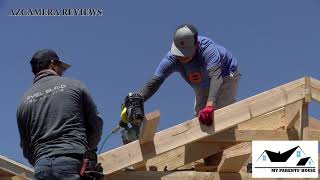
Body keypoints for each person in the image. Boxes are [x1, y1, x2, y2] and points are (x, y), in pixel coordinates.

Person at [121, 24, 240, 165]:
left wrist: (210, 106)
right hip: (201, 83)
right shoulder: (172, 58)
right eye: (179, 53)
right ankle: (209, 163)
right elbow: (154, 82)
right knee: (201, 121)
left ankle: (214, 165)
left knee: (217, 116)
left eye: (185, 53)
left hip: (225, 75)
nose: (182, 57)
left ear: (196, 45)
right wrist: (136, 100)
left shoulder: (208, 50)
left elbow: (216, 77)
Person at [16, 49, 103, 179]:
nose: (62, 72)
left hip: (41, 167)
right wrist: (87, 150)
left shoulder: (23, 101)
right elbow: (96, 123)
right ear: (52, 64)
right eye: (61, 67)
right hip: (72, 160)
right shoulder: (74, 85)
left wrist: (41, 160)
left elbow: (26, 146)